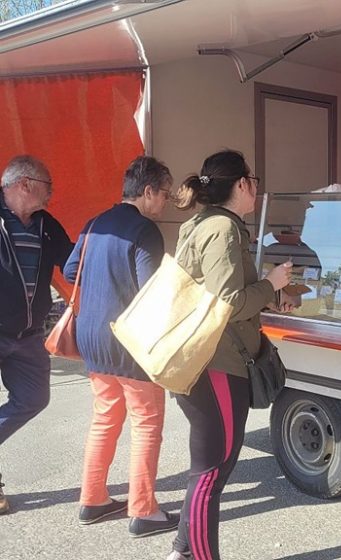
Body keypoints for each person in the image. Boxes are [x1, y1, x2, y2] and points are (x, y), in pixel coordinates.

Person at [167, 150, 295, 560]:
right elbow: (227, 302)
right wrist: (272, 282)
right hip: (218, 364)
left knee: (208, 465)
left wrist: (271, 297)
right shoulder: (223, 229)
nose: (256, 188)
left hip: (201, 360)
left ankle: (184, 549)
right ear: (241, 185)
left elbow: (219, 292)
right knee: (213, 469)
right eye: (252, 180)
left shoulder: (200, 224)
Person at [63, 156, 179, 536]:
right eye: (164, 194)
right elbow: (151, 288)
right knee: (146, 424)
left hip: (92, 338)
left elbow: (68, 270)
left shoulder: (95, 223)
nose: (165, 202)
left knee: (104, 419)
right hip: (131, 341)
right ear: (147, 192)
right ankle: (143, 509)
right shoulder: (145, 231)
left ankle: (92, 499)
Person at [0, 155, 73, 515]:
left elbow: (72, 261)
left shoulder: (46, 225)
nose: (52, 193)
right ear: (25, 184)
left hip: (28, 336)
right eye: (48, 186)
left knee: (33, 399)